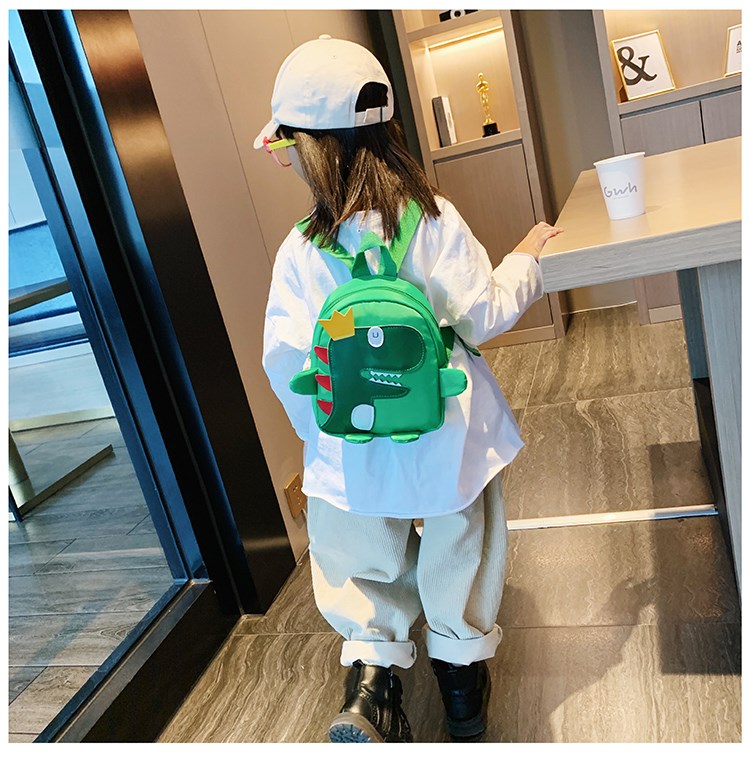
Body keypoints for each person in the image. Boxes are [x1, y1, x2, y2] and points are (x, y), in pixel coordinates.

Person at [256, 35, 562, 743]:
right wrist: (526, 258)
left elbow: (284, 358)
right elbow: (482, 313)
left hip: (352, 444)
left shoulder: (301, 249)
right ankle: (460, 676)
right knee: (462, 537)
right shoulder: (433, 218)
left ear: (310, 150)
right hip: (445, 425)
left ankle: (373, 680)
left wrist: (326, 439)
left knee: (362, 555)